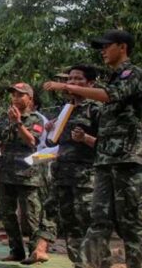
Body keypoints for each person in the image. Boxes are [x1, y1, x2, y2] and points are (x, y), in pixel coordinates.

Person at [44, 30, 142, 268]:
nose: (102, 50)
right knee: (99, 220)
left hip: (127, 157)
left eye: (106, 46)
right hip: (104, 160)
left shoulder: (134, 74)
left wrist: (67, 86)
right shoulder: (114, 78)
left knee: (130, 223)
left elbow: (110, 96)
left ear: (122, 47)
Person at [44, 65, 103, 268]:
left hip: (86, 177)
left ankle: (95, 263)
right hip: (62, 175)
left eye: (78, 79)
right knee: (69, 223)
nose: (72, 83)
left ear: (90, 84)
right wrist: (50, 130)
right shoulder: (65, 110)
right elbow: (52, 144)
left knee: (88, 221)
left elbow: (107, 145)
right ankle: (79, 262)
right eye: (70, 79)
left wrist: (85, 138)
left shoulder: (95, 109)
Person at [0, 83, 55, 263]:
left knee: (31, 217)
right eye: (13, 95)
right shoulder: (5, 118)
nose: (15, 98)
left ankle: (35, 252)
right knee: (6, 213)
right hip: (6, 173)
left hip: (28, 174)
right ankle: (16, 251)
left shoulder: (37, 119)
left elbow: (32, 142)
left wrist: (18, 123)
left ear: (30, 98)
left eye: (20, 95)